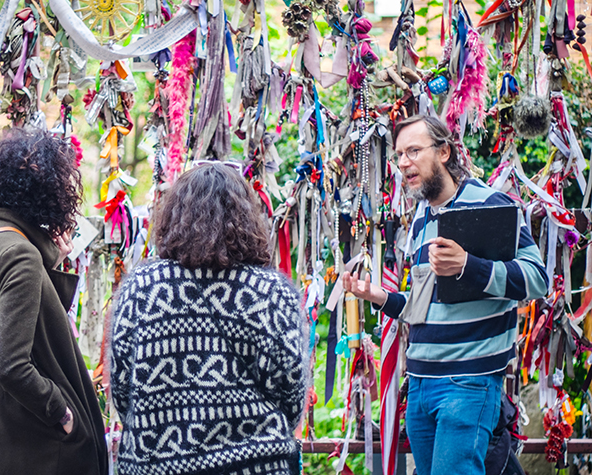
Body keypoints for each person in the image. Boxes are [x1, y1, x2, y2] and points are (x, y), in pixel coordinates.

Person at [342, 115, 548, 475]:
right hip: (421, 388)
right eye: (399, 155)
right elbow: (422, 308)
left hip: (466, 384)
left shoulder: (491, 203)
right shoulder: (422, 217)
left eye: (414, 151)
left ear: (444, 152)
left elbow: (537, 280)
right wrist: (377, 295)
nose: (403, 162)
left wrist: (469, 264)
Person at [110, 163, 309, 475]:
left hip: (156, 465)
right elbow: (292, 391)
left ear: (174, 215)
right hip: (253, 464)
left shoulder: (141, 286)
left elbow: (122, 386)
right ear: (245, 217)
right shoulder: (270, 291)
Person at [0, 129, 108, 475]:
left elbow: (29, 323)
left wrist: (49, 258)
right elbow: (11, 365)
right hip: (29, 451)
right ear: (47, 193)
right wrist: (62, 413)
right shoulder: (19, 254)